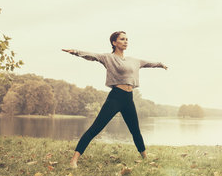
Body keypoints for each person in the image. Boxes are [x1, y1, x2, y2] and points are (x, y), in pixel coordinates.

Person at [62, 31, 167, 167]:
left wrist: (161, 64)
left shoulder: (134, 61)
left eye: (127, 39)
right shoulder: (108, 58)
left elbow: (149, 63)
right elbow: (91, 55)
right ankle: (74, 160)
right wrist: (75, 52)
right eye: (122, 39)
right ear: (114, 42)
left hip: (129, 99)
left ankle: (145, 157)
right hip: (116, 97)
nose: (125, 41)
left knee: (135, 130)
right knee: (95, 128)